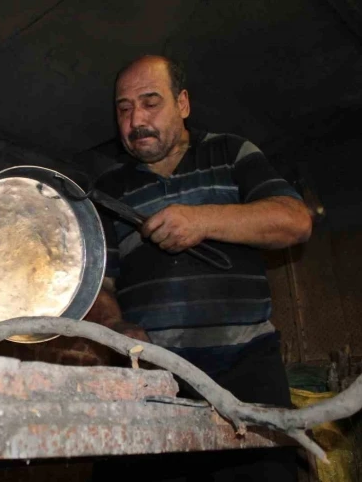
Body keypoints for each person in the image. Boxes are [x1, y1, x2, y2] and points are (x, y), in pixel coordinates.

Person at [88, 55, 312, 481]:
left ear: (183, 103)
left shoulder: (231, 152)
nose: (136, 119)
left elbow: (294, 221)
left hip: (247, 371)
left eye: (150, 101)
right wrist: (114, 324)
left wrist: (202, 220)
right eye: (123, 108)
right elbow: (102, 284)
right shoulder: (109, 190)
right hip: (154, 379)